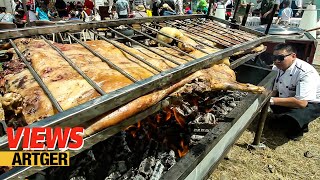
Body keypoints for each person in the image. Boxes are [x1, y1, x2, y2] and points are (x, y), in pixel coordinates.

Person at [269, 43, 320, 141]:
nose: (276, 61)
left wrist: (271, 100)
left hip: (312, 103)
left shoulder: (305, 72)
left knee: (294, 117)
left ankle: (299, 129)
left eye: (280, 57)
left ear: (293, 56)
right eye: (274, 57)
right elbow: (275, 89)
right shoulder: (277, 67)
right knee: (275, 105)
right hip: (290, 96)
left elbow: (302, 103)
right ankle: (283, 119)